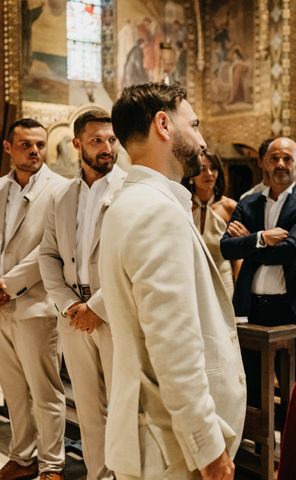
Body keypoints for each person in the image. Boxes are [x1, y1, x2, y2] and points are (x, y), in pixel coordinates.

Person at [101, 83, 246, 480]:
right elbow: (173, 345)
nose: (201, 138)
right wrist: (208, 448)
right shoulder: (155, 212)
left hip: (154, 436)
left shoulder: (127, 203)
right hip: (171, 450)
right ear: (163, 124)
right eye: (194, 124)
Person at [39, 109, 125, 480]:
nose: (106, 148)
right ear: (77, 144)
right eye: (96, 141)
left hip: (114, 312)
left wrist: (97, 306)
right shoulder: (61, 195)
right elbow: (47, 253)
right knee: (88, 408)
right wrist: (70, 304)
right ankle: (97, 475)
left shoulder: (129, 190)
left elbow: (132, 260)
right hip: (74, 314)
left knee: (123, 406)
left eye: (111, 140)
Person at [220, 137, 296, 406]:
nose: (280, 164)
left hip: (291, 307)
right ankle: (260, 440)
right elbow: (227, 248)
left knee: (293, 378)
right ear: (264, 163)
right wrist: (261, 238)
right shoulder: (249, 203)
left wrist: (249, 243)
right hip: (253, 306)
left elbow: (292, 251)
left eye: (287, 159)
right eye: (274, 158)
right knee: (251, 377)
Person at [0, 119, 69, 480]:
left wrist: (8, 284)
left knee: (45, 389)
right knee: (12, 389)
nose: (35, 151)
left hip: (36, 302)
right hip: (1, 309)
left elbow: (50, 246)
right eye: (26, 144)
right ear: (9, 148)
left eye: (40, 144)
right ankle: (22, 455)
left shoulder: (61, 189)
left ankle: (53, 464)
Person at [183, 149, 238, 298]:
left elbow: (238, 254)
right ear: (191, 175)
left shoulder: (230, 207)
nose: (208, 173)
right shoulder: (182, 206)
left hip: (222, 280)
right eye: (202, 168)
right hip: (189, 281)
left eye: (213, 168)